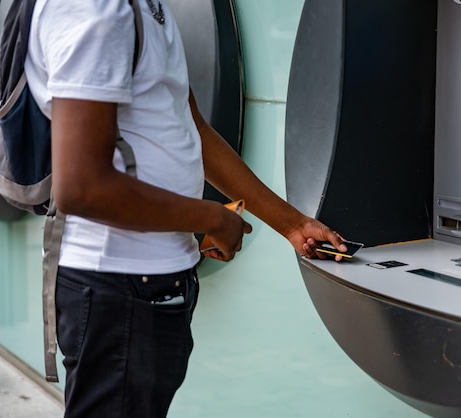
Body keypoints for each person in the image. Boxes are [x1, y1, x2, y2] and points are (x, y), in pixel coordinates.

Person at [25, 0, 348, 416]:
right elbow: (84, 187)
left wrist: (292, 224)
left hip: (149, 283)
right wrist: (211, 217)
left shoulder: (143, 7)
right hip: (119, 286)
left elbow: (189, 125)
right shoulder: (94, 9)